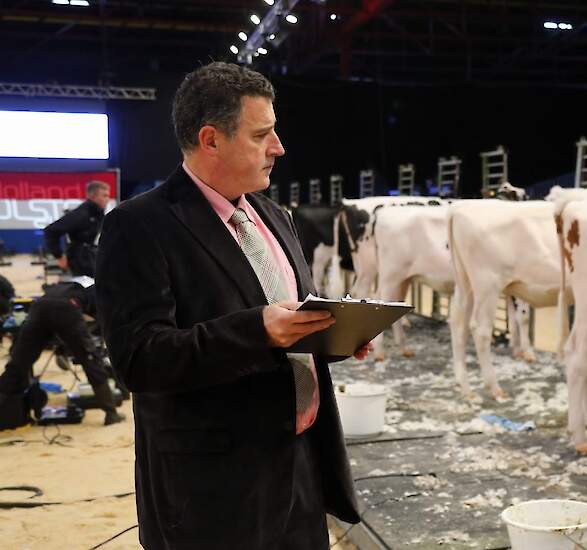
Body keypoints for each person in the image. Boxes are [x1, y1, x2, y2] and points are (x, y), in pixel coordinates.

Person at [96, 62, 368, 549]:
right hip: (213, 488)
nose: (279, 147)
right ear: (211, 139)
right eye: (261, 134)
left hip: (301, 465)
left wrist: (339, 334)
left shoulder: (272, 214)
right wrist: (257, 331)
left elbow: (289, 328)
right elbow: (140, 359)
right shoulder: (139, 226)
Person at [0, 278, 125, 425]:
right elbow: (100, 324)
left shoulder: (73, 283)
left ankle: (3, 405)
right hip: (67, 309)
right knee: (91, 361)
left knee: (19, 361)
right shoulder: (101, 292)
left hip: (39, 306)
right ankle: (111, 413)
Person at [43, 180, 111, 277]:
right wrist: (59, 256)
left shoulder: (98, 214)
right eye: (104, 196)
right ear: (93, 196)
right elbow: (50, 231)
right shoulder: (81, 214)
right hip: (79, 261)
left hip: (92, 257)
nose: (107, 199)